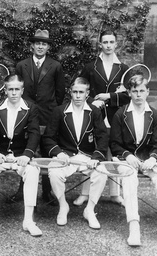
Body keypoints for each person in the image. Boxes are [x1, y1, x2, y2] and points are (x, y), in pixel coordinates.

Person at [0, 74, 42, 237]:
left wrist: (27, 155)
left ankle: (28, 220)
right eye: (10, 89)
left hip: (22, 157)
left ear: (22, 90)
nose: (14, 93)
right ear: (5, 90)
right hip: (1, 156)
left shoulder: (31, 108)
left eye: (17, 89)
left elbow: (34, 134)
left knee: (33, 171)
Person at [42, 77, 108, 230]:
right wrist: (58, 153)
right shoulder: (59, 111)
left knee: (102, 172)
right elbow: (48, 138)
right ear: (70, 93)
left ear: (87, 94)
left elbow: (103, 138)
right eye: (75, 92)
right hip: (66, 156)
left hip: (87, 158)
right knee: (54, 171)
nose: (78, 96)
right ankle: (63, 205)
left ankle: (90, 210)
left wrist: (96, 157)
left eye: (81, 92)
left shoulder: (95, 112)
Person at [74, 30, 130, 206]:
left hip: (115, 116)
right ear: (100, 44)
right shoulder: (91, 67)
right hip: (94, 114)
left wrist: (109, 97)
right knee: (93, 150)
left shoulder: (123, 68)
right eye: (104, 42)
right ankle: (85, 193)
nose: (108, 45)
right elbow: (80, 87)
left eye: (111, 42)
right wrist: (92, 102)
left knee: (114, 152)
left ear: (116, 44)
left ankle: (115, 194)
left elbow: (129, 95)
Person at [14, 29, 66, 203]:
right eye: (37, 43)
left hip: (47, 114)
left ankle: (46, 192)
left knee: (46, 151)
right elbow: (19, 89)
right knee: (25, 149)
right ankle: (21, 191)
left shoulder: (55, 66)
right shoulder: (22, 65)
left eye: (44, 43)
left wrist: (52, 110)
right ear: (32, 46)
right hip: (26, 114)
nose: (40, 46)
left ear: (48, 47)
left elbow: (60, 93)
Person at [109, 74, 157, 246]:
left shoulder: (154, 115)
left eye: (142, 91)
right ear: (128, 92)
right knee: (129, 177)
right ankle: (134, 225)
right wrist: (127, 155)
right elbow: (114, 143)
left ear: (147, 92)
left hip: (146, 159)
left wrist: (153, 158)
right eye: (134, 91)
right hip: (124, 157)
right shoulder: (120, 115)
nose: (138, 94)